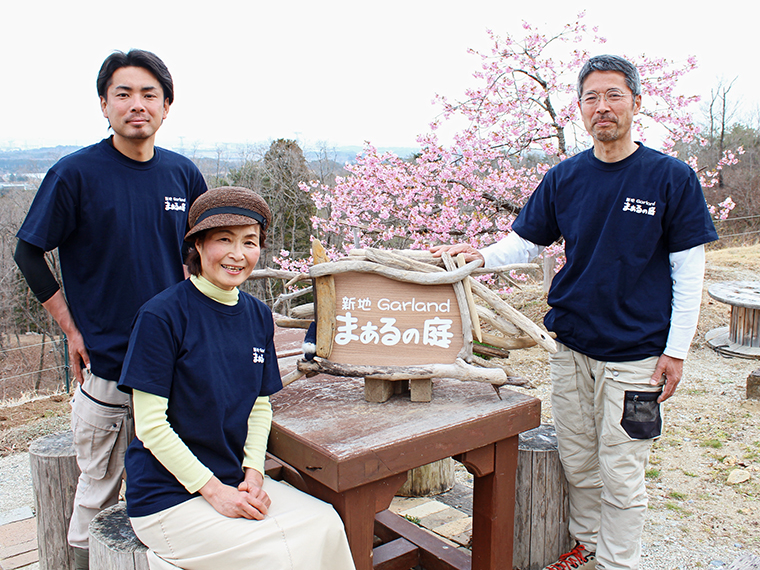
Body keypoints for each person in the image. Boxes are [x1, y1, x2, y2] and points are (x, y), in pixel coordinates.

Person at [432, 55, 718, 570]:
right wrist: (477, 258)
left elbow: (689, 274)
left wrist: (675, 352)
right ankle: (586, 545)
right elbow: (524, 243)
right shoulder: (566, 178)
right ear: (580, 109)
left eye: (613, 95)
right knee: (579, 460)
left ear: (636, 101)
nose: (602, 107)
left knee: (623, 467)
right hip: (571, 349)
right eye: (591, 98)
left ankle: (616, 562)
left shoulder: (670, 178)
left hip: (636, 358)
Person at [14, 49, 207, 569]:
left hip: (173, 371)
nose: (136, 104)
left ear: (167, 106)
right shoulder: (76, 174)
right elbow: (28, 250)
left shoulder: (183, 175)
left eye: (149, 94)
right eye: (123, 93)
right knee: (95, 496)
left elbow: (203, 258)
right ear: (104, 105)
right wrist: (70, 327)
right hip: (107, 370)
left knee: (175, 488)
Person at [117, 186, 356, 570]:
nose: (237, 254)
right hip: (168, 496)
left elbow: (260, 405)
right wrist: (214, 492)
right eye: (223, 240)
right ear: (196, 245)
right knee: (279, 555)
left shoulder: (257, 315)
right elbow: (150, 425)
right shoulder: (162, 316)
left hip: (233, 478)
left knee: (326, 524)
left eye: (249, 242)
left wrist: (254, 473)